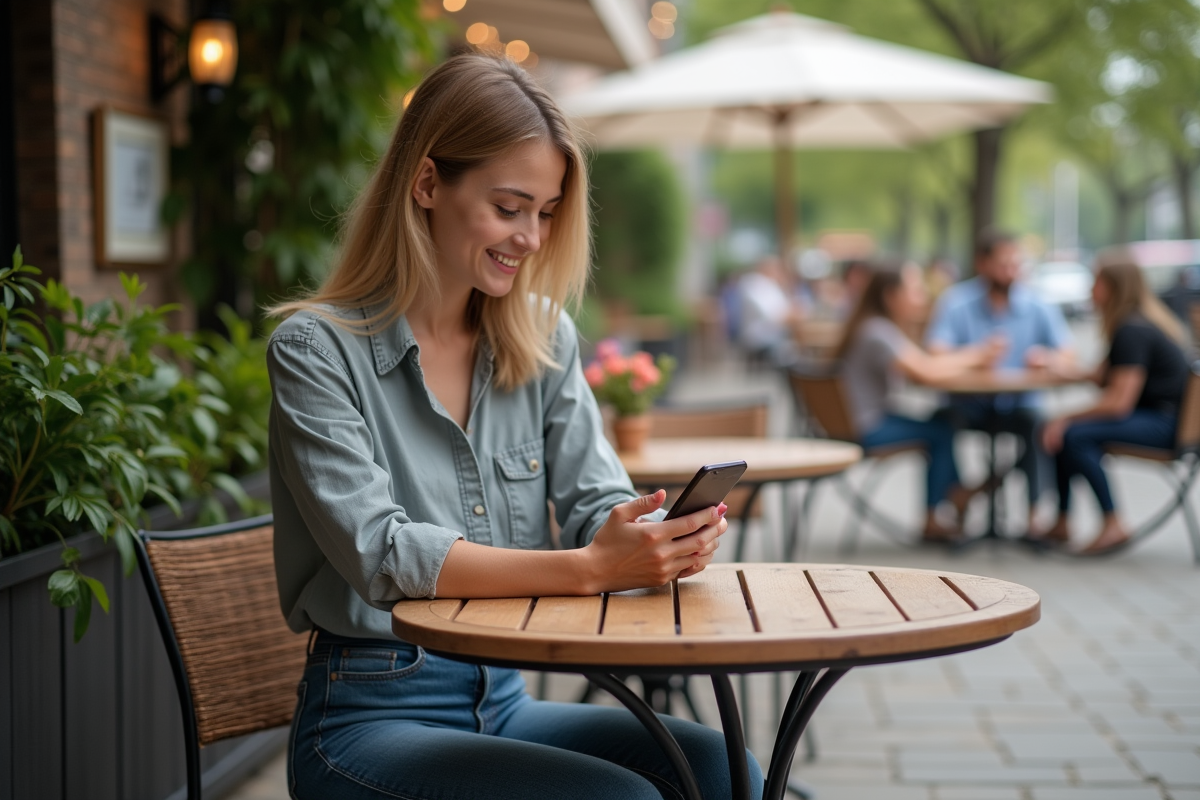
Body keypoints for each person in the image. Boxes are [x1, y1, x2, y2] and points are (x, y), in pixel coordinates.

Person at [265, 55, 761, 800]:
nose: (531, 236)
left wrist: (654, 539)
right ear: (428, 184)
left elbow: (595, 500)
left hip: (505, 701)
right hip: (367, 721)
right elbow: (382, 553)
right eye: (509, 206)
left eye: (547, 210)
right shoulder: (314, 351)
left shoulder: (543, 336)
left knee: (722, 769)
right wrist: (590, 569)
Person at [834, 262, 1001, 541]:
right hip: (865, 428)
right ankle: (938, 513)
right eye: (914, 289)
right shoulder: (878, 331)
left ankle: (952, 497)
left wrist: (970, 358)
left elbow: (924, 367)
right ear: (890, 295)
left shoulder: (874, 326)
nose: (922, 295)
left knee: (943, 419)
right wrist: (979, 355)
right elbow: (927, 372)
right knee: (941, 430)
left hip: (859, 420)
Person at [925, 229, 1074, 534]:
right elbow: (935, 353)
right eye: (1003, 263)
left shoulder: (1038, 305)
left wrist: (1046, 358)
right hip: (968, 403)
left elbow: (1068, 354)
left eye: (1015, 263)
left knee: (1038, 424)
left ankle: (1031, 514)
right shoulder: (956, 302)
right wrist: (977, 356)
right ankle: (941, 511)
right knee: (940, 423)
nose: (1011, 271)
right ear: (982, 263)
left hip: (1019, 403)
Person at [1040, 258, 1191, 555]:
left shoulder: (1131, 330)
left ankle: (1112, 522)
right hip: (1167, 419)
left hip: (1166, 425)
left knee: (1072, 434)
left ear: (1112, 288)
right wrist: (1060, 367)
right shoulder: (1138, 322)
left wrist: (1062, 416)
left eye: (1096, 283)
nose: (1090, 290)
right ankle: (1062, 521)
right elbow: (1103, 376)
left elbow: (1118, 402)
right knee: (1065, 431)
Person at [737, 255, 801, 365]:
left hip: (772, 335)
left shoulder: (769, 285)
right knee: (795, 353)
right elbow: (773, 316)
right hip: (762, 337)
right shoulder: (756, 285)